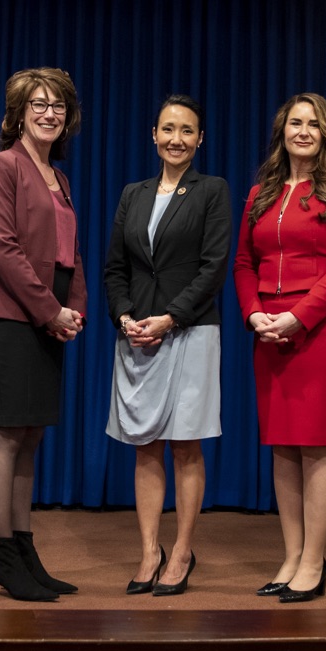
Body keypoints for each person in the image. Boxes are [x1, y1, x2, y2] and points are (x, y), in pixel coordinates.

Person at [233, 93, 326, 603]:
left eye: (314, 124)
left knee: (316, 444)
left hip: (324, 329)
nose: (304, 131)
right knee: (282, 446)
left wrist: (299, 316)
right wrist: (254, 315)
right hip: (269, 329)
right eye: (296, 122)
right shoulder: (260, 194)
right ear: (282, 131)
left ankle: (314, 561)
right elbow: (244, 263)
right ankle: (291, 555)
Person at [104, 95, 231, 597]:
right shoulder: (133, 194)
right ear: (153, 135)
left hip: (191, 330)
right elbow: (116, 267)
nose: (176, 139)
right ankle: (149, 551)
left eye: (187, 131)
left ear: (200, 140)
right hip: (137, 333)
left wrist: (171, 317)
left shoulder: (213, 191)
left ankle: (181, 551)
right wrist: (125, 315)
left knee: (185, 445)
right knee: (145, 447)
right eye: (168, 129)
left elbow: (213, 266)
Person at [0, 67, 87, 602]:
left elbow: (72, 255)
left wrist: (76, 309)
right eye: (39, 104)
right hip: (14, 316)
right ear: (18, 112)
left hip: (50, 314)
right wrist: (50, 311)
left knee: (32, 436)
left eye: (58, 106)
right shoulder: (1, 166)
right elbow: (4, 248)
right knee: (7, 434)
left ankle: (23, 547)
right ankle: (1, 553)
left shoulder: (59, 178)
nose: (49, 113)